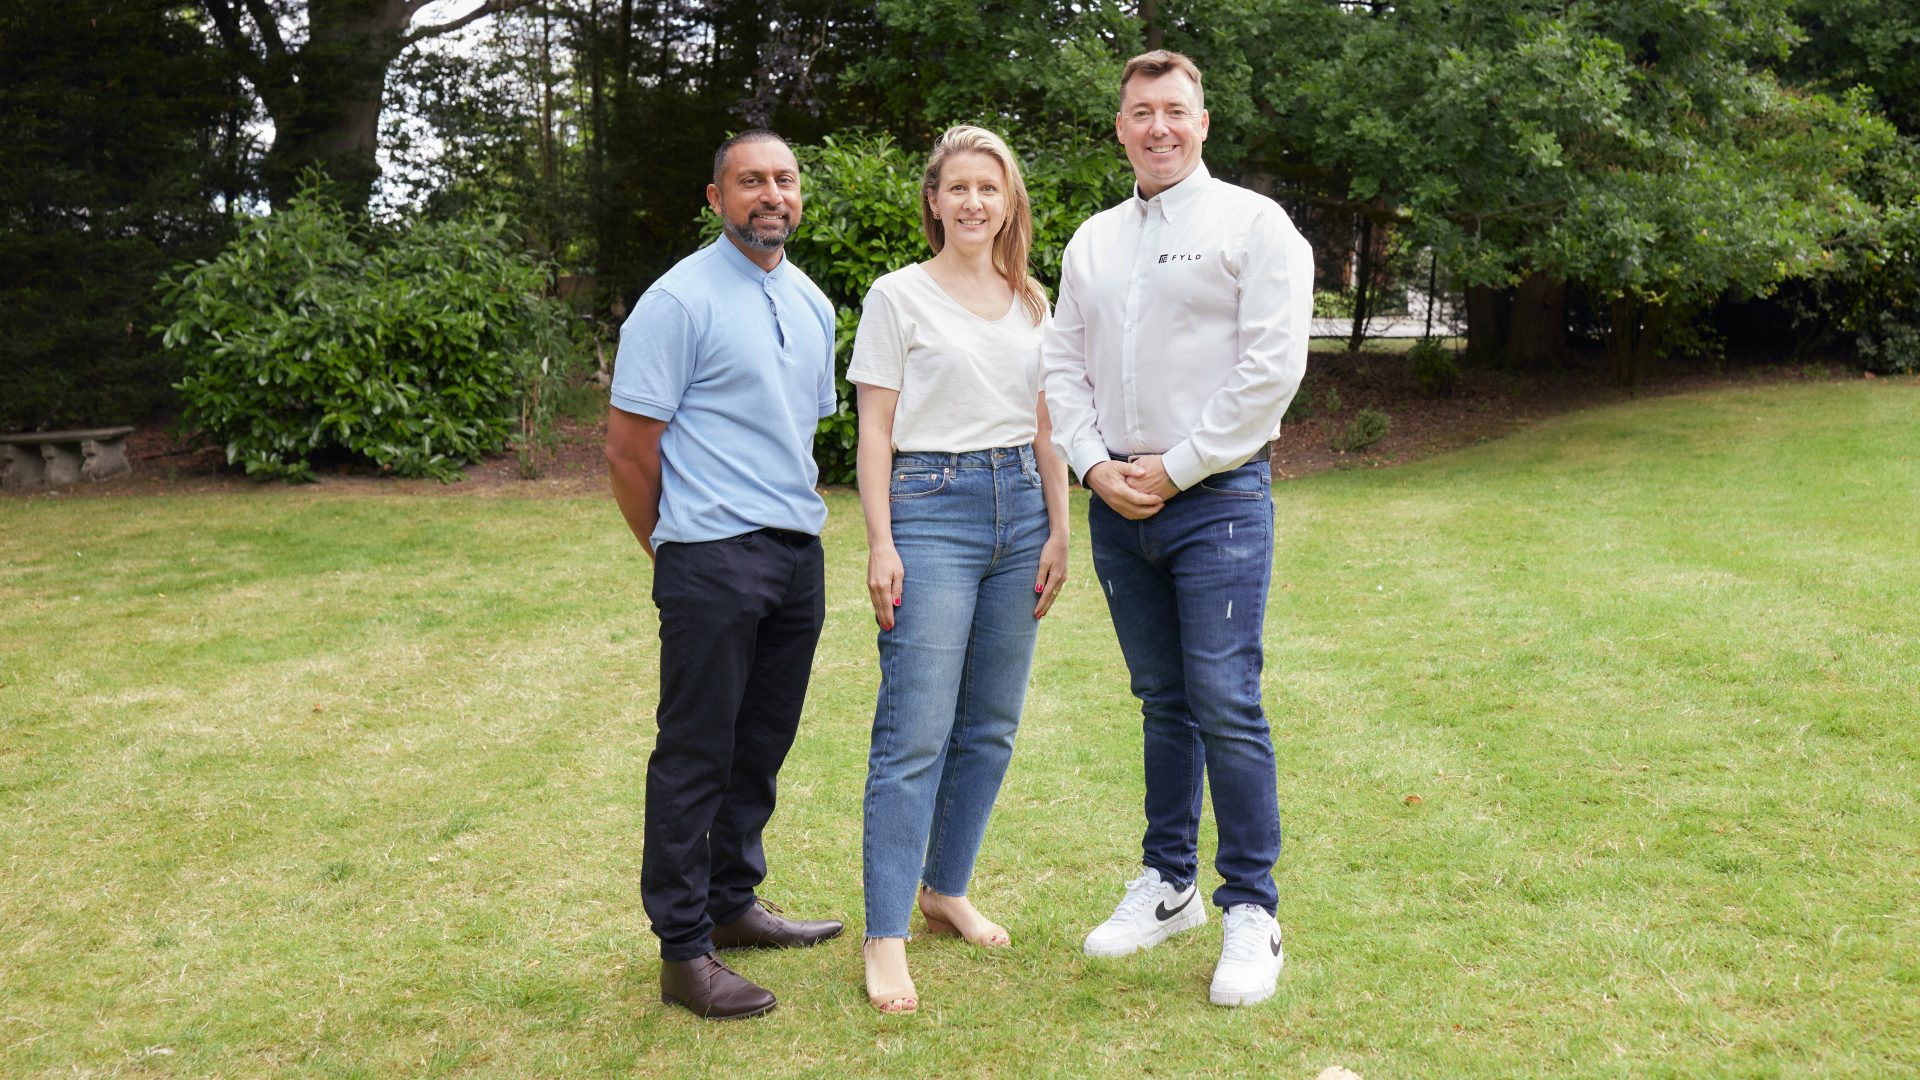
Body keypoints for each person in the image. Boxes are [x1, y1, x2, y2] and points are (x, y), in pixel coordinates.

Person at [1041, 50, 1313, 1008]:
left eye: (1176, 111)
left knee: (1224, 698)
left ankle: (1253, 909)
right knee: (1162, 700)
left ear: (1203, 122)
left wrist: (1179, 464)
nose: (1158, 127)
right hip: (1120, 503)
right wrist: (1091, 465)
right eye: (1141, 112)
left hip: (1219, 497)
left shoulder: (1253, 224)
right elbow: (1060, 366)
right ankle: (1169, 887)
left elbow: (1271, 370)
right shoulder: (1093, 242)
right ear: (1120, 127)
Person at [605, 129, 845, 1021]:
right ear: (716, 199)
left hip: (794, 555)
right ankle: (683, 950)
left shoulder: (813, 302)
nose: (770, 195)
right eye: (751, 181)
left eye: (784, 180)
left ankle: (734, 904)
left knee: (760, 745)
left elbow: (795, 434)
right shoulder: (677, 301)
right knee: (696, 752)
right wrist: (677, 553)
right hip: (710, 557)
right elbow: (630, 454)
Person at [848, 125, 1071, 1015]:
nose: (975, 202)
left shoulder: (1032, 302)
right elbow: (873, 430)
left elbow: (1049, 426)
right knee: (916, 733)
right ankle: (885, 933)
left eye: (991, 187)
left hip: (1021, 508)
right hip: (929, 509)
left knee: (990, 726)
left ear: (1008, 199)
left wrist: (1061, 531)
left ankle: (946, 890)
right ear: (933, 201)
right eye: (958, 188)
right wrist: (879, 541)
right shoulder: (896, 297)